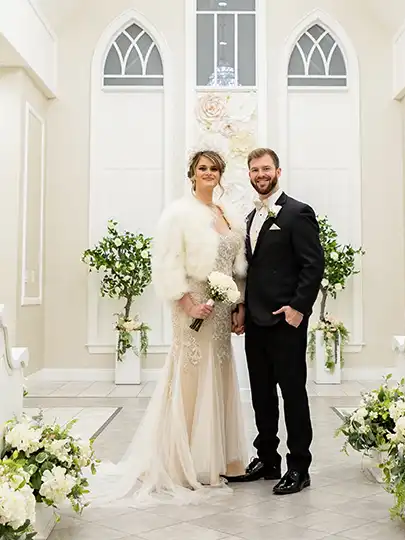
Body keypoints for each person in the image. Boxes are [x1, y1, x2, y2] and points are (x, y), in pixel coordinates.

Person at [87, 150, 248, 507]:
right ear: (192, 174)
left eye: (214, 168)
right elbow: (167, 263)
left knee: (219, 370)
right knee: (191, 374)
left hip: (222, 308)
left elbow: (238, 265)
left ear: (221, 174)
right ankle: (184, 459)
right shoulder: (179, 214)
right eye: (202, 168)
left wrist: (239, 303)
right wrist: (188, 303)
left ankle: (218, 459)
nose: (209, 173)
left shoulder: (227, 213)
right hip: (194, 306)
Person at [226, 148, 324, 495]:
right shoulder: (249, 217)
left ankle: (299, 467)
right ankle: (267, 459)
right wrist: (240, 307)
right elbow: (250, 270)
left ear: (278, 172)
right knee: (261, 394)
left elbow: (313, 264)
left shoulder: (298, 212)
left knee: (293, 394)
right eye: (255, 170)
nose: (260, 174)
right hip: (256, 321)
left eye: (266, 168)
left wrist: (298, 308)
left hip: (286, 321)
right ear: (249, 175)